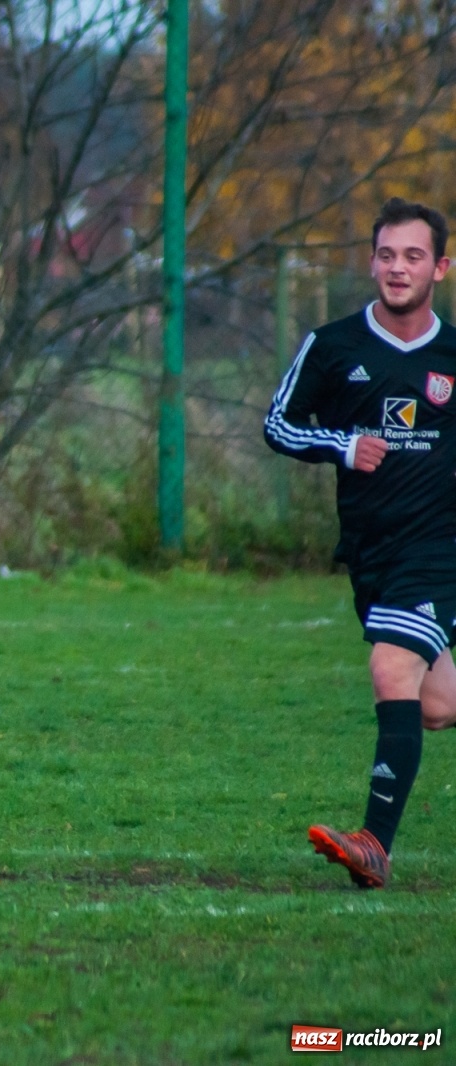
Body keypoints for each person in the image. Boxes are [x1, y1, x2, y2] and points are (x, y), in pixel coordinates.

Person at [264, 197, 456, 888]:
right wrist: (340, 444)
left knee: (389, 670)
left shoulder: (453, 356)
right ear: (371, 261)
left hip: (438, 552)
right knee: (435, 707)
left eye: (412, 256)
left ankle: (375, 843)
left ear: (441, 266)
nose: (397, 268)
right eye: (386, 255)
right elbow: (278, 425)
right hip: (371, 555)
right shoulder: (333, 345)